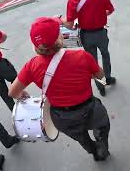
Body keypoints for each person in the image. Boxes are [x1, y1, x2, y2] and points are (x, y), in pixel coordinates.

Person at [8, 17, 111, 161]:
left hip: (62, 117)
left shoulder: (31, 66)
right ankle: (102, 148)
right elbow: (101, 77)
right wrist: (89, 75)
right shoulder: (82, 56)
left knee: (81, 138)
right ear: (60, 36)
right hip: (90, 109)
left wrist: (21, 93)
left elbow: (12, 92)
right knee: (102, 127)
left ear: (35, 45)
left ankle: (93, 151)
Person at [61, 0, 116, 96]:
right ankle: (108, 78)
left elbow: (69, 25)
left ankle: (100, 86)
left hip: (86, 35)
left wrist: (60, 20)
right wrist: (101, 15)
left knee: (92, 62)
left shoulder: (73, 0)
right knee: (105, 54)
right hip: (101, 33)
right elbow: (110, 10)